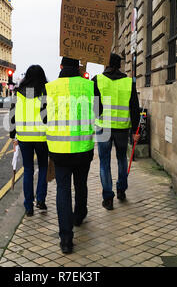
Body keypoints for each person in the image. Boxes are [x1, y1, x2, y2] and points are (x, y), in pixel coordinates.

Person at [42, 57, 95, 254]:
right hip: (83, 148)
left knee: (63, 190)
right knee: (81, 184)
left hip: (59, 150)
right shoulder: (90, 86)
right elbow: (99, 112)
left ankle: (66, 239)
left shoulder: (49, 88)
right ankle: (79, 215)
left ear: (61, 67)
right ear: (78, 67)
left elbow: (44, 117)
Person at [93, 53, 140, 210]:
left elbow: (95, 107)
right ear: (120, 65)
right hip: (121, 128)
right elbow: (134, 107)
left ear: (106, 64)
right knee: (121, 158)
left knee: (104, 163)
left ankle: (108, 198)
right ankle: (121, 189)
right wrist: (135, 131)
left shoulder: (97, 80)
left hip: (103, 127)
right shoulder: (129, 82)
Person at [9, 65, 49, 217]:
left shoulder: (18, 93)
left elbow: (12, 115)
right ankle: (41, 199)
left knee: (28, 170)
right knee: (43, 167)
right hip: (42, 137)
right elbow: (47, 116)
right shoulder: (45, 92)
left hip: (24, 136)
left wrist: (13, 135)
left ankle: (28, 206)